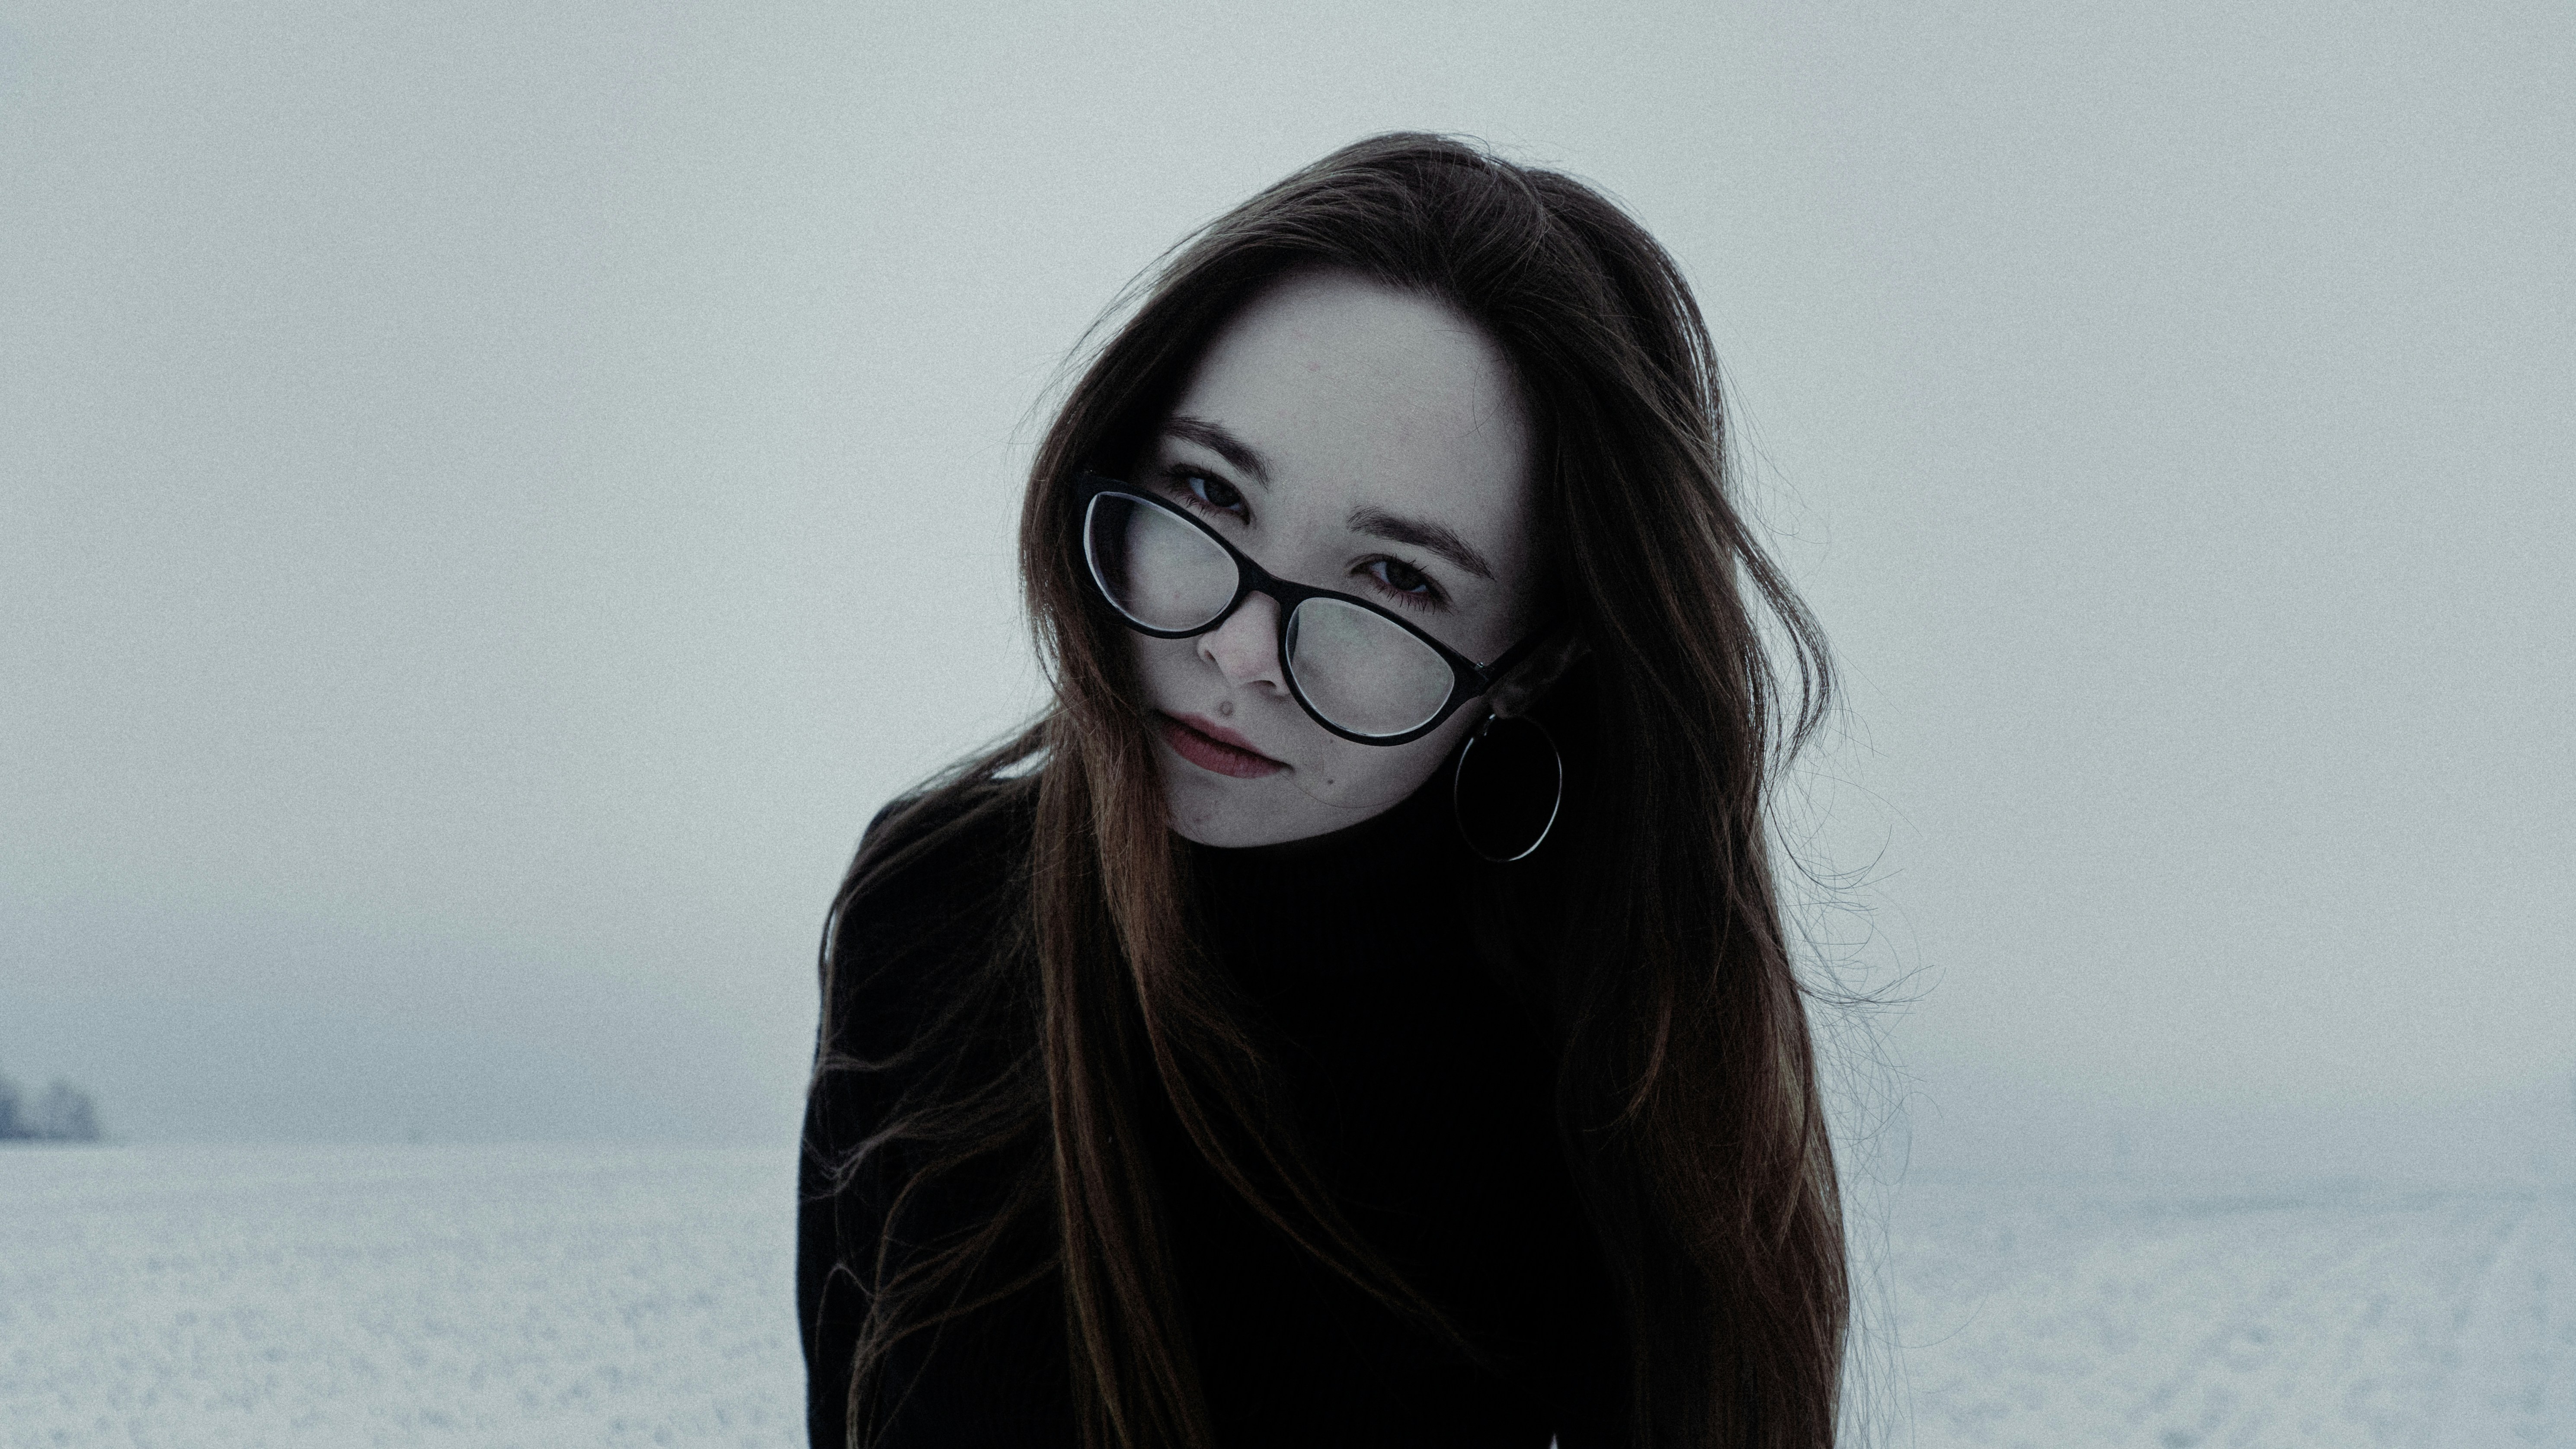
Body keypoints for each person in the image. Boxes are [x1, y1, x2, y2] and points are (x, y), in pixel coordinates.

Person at [799, 132, 1848, 1449]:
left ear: (1535, 666)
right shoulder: (933, 909)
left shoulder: (1611, 1055)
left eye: (1394, 580)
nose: (1239, 654)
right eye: (1207, 492)